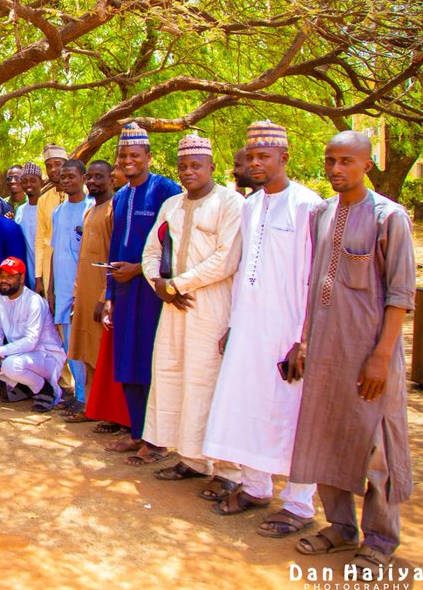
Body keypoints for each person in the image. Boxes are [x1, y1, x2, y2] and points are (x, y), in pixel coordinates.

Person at [288, 132, 415, 569]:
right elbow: (316, 285)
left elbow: (400, 295)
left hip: (369, 354)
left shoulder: (389, 217)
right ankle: (341, 528)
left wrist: (381, 357)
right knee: (325, 436)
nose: (336, 169)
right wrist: (305, 341)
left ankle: (380, 539)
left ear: (367, 165)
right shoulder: (321, 214)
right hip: (325, 351)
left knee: (377, 447)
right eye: (330, 161)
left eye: (346, 161)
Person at [203, 121, 320, 533]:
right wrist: (234, 325)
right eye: (250, 156)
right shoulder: (251, 206)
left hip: (288, 331)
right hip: (249, 326)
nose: (255, 163)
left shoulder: (308, 206)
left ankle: (300, 504)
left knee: (293, 414)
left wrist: (304, 339)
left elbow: (315, 278)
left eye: (264, 156)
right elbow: (242, 273)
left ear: (284, 158)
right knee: (250, 405)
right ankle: (255, 487)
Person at [140, 136, 243, 478]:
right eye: (183, 166)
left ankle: (226, 469)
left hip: (210, 306)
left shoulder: (230, 203)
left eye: (196, 165)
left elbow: (225, 259)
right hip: (173, 306)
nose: (188, 172)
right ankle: (191, 458)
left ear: (211, 166)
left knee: (207, 381)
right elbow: (151, 251)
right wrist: (158, 283)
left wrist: (177, 285)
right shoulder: (171, 205)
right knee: (174, 377)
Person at [102, 124, 181, 462]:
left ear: (148, 156)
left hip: (153, 292)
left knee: (151, 364)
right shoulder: (120, 196)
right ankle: (137, 432)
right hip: (123, 291)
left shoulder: (166, 190)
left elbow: (172, 244)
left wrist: (138, 269)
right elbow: (114, 247)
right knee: (127, 362)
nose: (128, 160)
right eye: (123, 155)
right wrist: (109, 294)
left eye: (134, 155)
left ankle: (157, 440)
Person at [0, 257, 66, 412]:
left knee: (10, 365)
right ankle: (25, 386)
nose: (4, 280)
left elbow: (31, 341)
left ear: (21, 278)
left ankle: (44, 389)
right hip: (16, 354)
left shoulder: (34, 301)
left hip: (45, 356)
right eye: (1, 276)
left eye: (10, 276)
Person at [72, 161, 129, 431]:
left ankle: (111, 412)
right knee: (87, 352)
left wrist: (104, 297)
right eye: (90, 177)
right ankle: (91, 406)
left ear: (111, 179)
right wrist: (77, 294)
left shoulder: (114, 211)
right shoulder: (90, 210)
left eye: (99, 177)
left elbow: (114, 257)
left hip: (101, 294)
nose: (93, 181)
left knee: (102, 355)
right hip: (84, 292)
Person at [50, 160, 92, 410]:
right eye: (63, 177)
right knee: (69, 344)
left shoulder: (92, 209)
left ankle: (87, 398)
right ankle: (79, 395)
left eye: (71, 176)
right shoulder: (58, 212)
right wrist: (52, 290)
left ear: (83, 178)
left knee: (85, 344)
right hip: (62, 289)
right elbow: (55, 252)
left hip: (84, 290)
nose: (66, 181)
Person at [33, 143, 67, 298]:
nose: (53, 169)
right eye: (49, 166)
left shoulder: (84, 195)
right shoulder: (44, 199)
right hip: (48, 265)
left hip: (73, 264)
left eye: (57, 164)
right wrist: (38, 277)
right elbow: (40, 239)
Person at [12, 163, 43, 289]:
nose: (28, 184)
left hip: (46, 268)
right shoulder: (20, 210)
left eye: (33, 180)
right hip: (28, 268)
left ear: (41, 182)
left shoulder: (48, 207)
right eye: (24, 181)